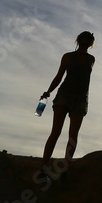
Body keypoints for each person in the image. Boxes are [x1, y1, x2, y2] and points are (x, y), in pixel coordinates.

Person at [40, 31, 95, 174]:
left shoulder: (91, 59)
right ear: (79, 41)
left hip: (81, 98)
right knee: (56, 132)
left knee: (73, 135)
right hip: (64, 95)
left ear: (91, 43)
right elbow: (59, 76)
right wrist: (49, 91)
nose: (85, 43)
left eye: (88, 40)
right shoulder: (68, 56)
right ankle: (43, 166)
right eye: (83, 40)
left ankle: (66, 168)